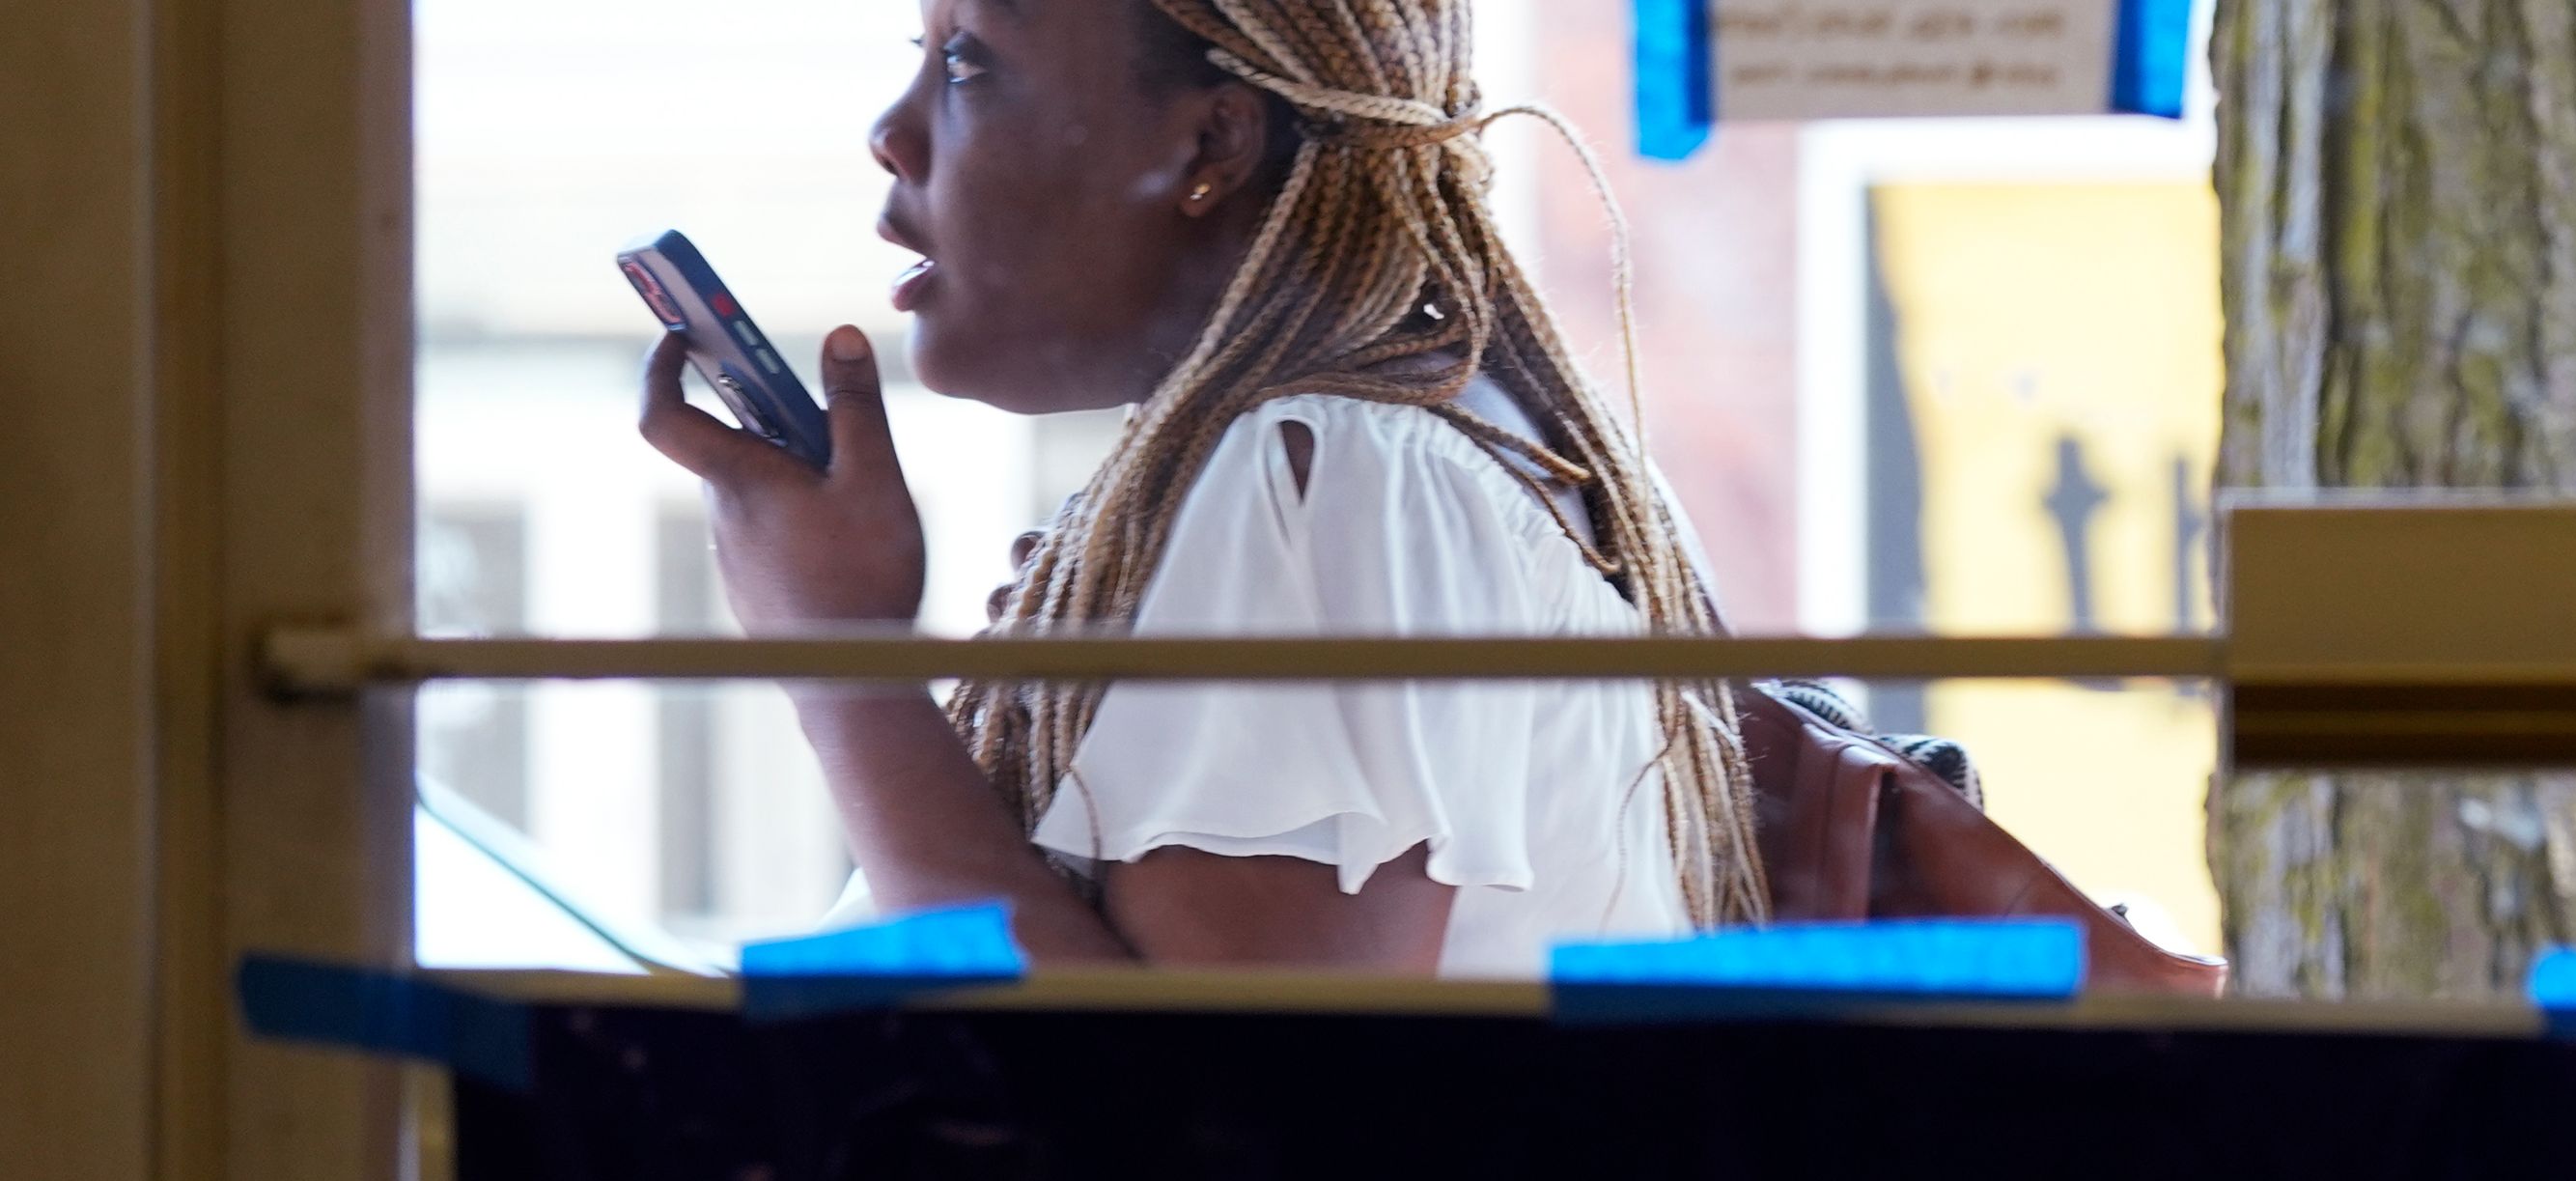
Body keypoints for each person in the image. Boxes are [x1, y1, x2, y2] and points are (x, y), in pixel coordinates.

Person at [638, 0, 1752, 973]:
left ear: (1209, 140)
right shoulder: (1435, 442)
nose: (892, 133)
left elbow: (1207, 1127)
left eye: (970, 63)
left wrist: (841, 662)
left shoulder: (1334, 476)